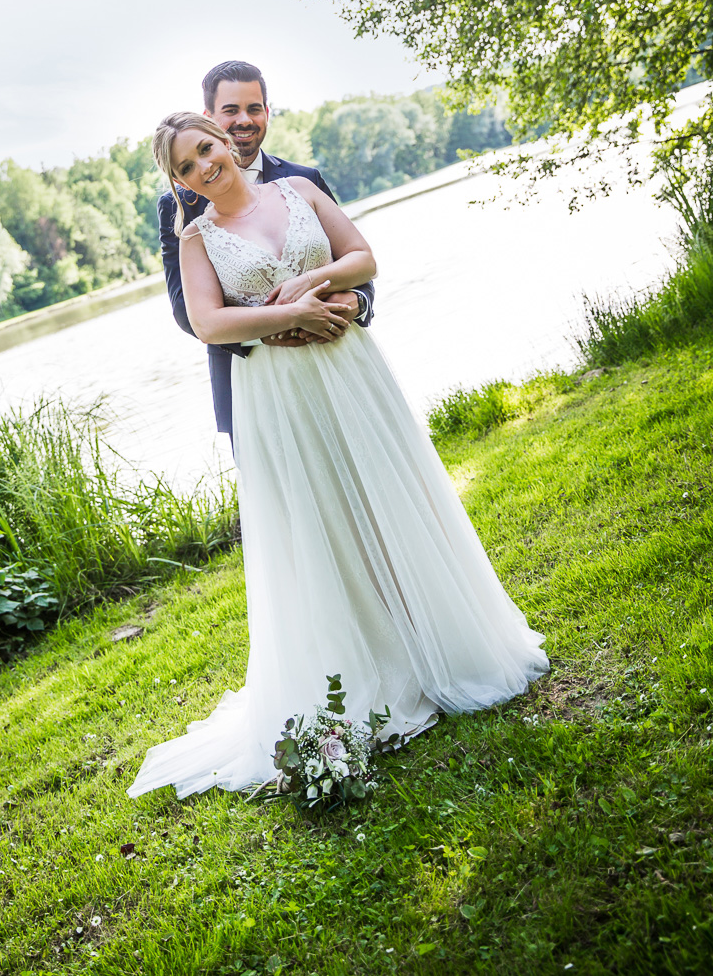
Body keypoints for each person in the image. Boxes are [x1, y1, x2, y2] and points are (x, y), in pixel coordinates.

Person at [129, 112, 548, 800]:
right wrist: (290, 316)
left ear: (224, 142)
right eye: (185, 167)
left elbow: (362, 258)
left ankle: (447, 641)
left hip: (351, 371)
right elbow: (208, 323)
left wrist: (317, 287)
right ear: (177, 182)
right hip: (280, 391)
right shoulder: (195, 239)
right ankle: (374, 668)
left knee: (393, 496)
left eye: (206, 148)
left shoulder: (296, 192)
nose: (204, 166)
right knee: (325, 523)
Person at [158, 59, 375, 442]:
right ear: (210, 117)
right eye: (231, 110)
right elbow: (187, 311)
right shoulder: (183, 216)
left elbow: (351, 258)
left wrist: (355, 301)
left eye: (253, 108)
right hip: (260, 378)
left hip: (340, 349)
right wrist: (274, 326)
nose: (244, 119)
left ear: (266, 112)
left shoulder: (303, 181)